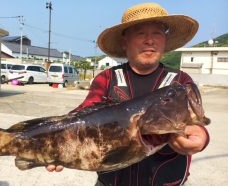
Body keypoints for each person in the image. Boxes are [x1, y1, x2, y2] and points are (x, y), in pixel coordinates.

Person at [46, 2, 210, 186]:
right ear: (125, 42)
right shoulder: (106, 78)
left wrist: (202, 137)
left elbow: (197, 122)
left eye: (157, 33)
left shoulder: (181, 83)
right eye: (141, 33)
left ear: (165, 40)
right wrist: (55, 139)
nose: (150, 40)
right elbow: (83, 113)